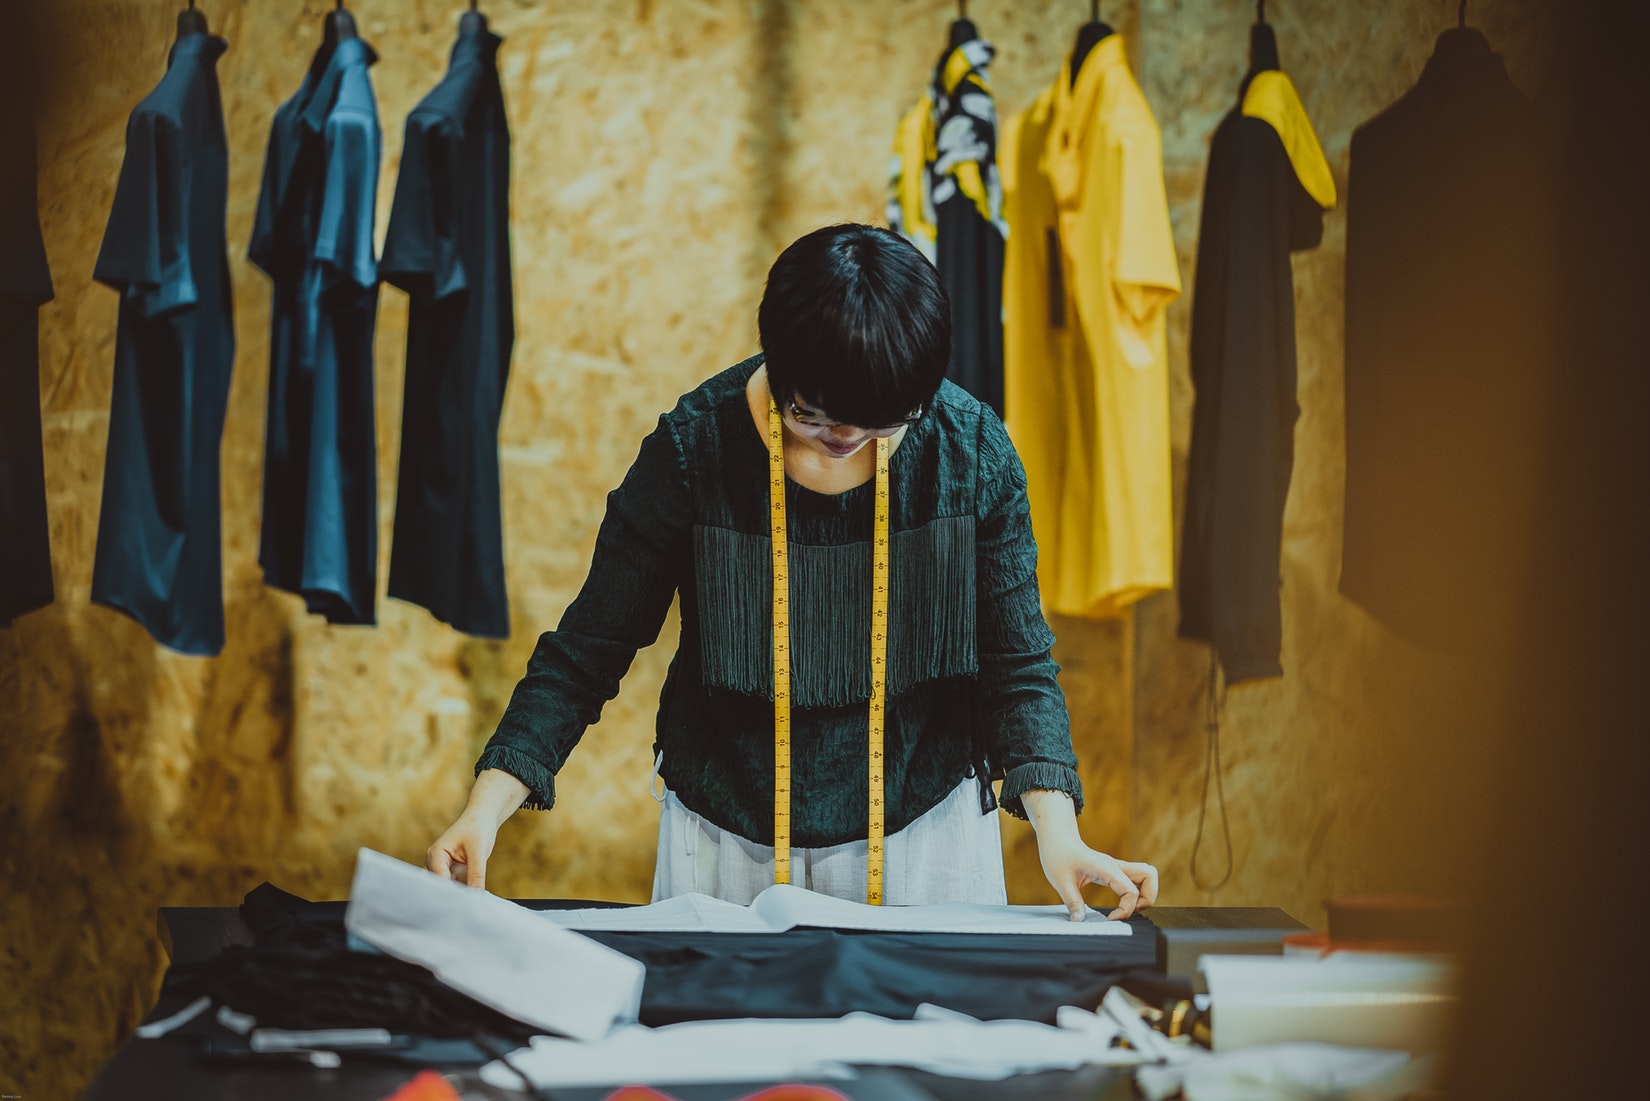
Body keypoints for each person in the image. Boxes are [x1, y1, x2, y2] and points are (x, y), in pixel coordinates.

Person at [427, 223, 1159, 920]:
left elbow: (1018, 665)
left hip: (924, 838)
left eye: (881, 426)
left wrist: (1058, 834)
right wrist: (484, 807)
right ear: (778, 369)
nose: (848, 444)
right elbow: (586, 651)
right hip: (727, 843)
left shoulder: (970, 452)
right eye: (817, 420)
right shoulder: (694, 453)